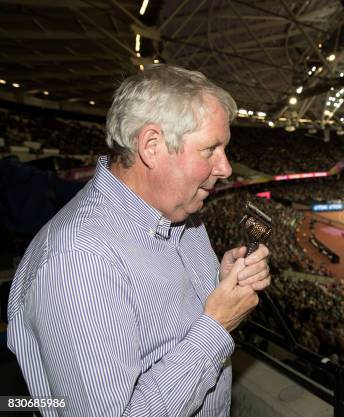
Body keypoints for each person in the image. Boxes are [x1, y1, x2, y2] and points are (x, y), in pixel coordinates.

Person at [7, 65, 271, 416]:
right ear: (151, 146)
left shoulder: (185, 214)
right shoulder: (77, 260)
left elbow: (176, 329)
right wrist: (217, 326)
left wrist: (221, 285)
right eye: (210, 149)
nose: (225, 168)